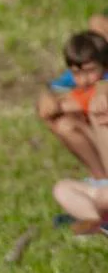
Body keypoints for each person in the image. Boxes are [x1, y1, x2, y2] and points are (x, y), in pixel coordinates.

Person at [37, 30, 108, 179]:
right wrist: (47, 98)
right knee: (63, 124)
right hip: (97, 139)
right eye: (76, 73)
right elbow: (51, 92)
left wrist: (67, 103)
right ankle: (101, 178)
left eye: (90, 71)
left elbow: (99, 93)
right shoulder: (75, 76)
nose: (83, 80)